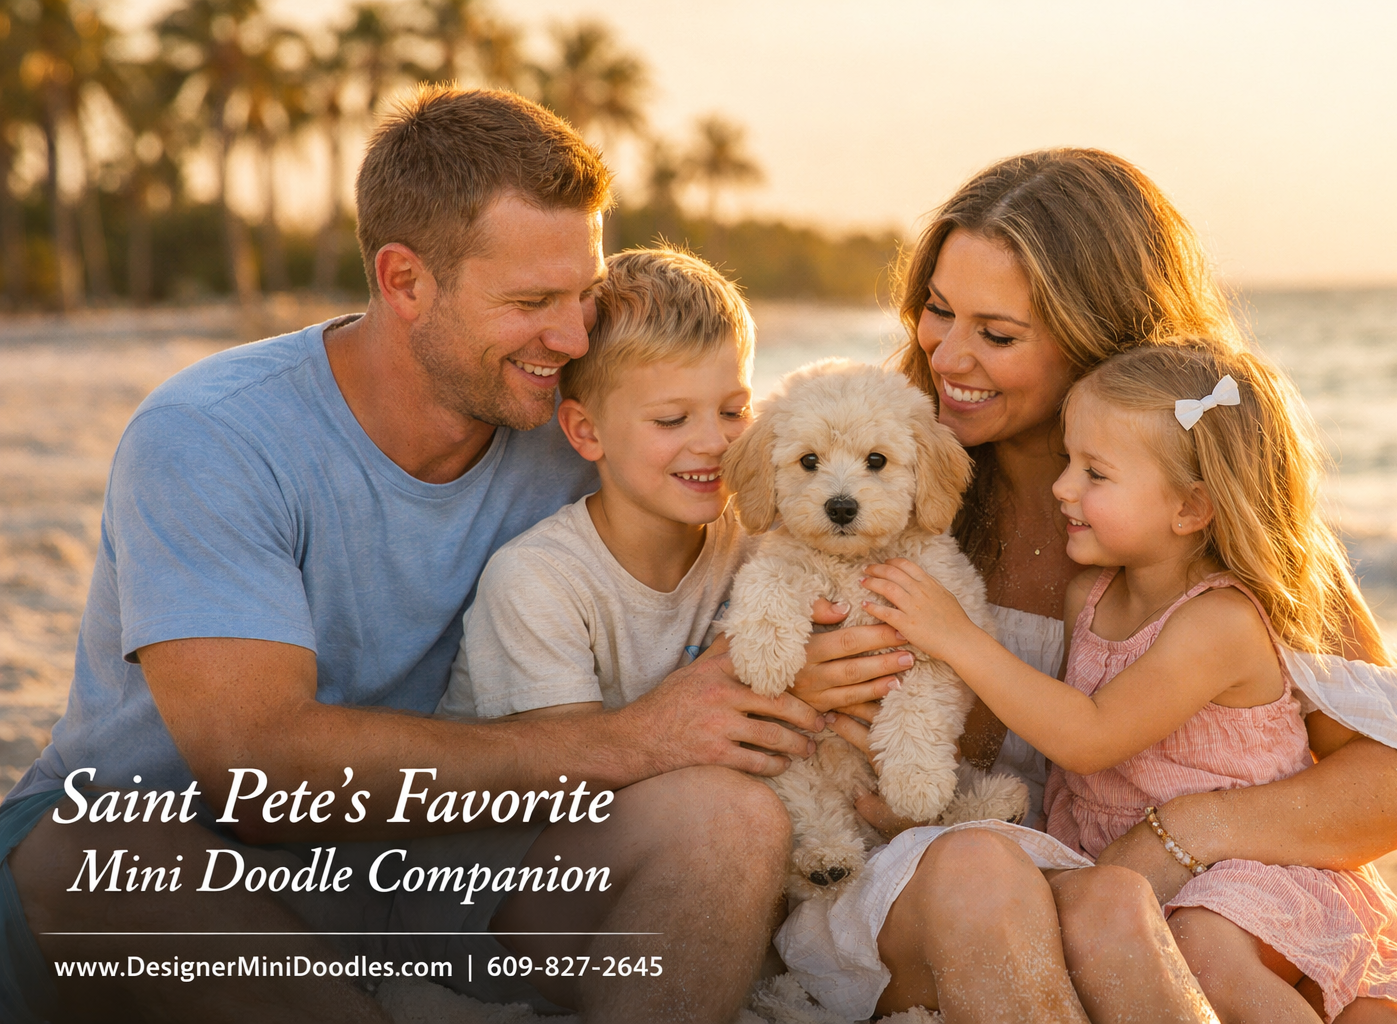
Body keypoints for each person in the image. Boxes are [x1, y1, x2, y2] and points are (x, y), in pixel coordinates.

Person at [0, 88, 913, 1024]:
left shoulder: (570, 425)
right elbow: (255, 770)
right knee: (96, 851)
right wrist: (631, 738)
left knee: (728, 822)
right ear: (404, 283)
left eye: (583, 296)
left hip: (444, 862)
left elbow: (776, 500)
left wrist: (830, 655)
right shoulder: (213, 437)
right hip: (176, 865)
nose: (571, 339)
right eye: (531, 302)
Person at [775, 149, 1397, 1024]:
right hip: (942, 880)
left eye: (1000, 333)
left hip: (1149, 903)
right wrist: (807, 684)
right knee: (990, 882)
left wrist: (1181, 836)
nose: (946, 353)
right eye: (936, 310)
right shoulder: (882, 481)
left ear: (1099, 341)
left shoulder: (1202, 536)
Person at [858, 343, 1397, 1023]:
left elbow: (1088, 734)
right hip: (1125, 864)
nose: (1063, 488)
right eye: (1068, 461)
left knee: (1207, 952)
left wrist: (956, 637)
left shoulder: (1217, 621)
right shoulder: (1092, 595)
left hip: (1248, 873)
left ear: (1192, 508)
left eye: (1094, 474)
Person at [438, 246, 754, 721]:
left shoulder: (760, 542)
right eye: (671, 419)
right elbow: (569, 776)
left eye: (733, 412)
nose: (714, 442)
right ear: (587, 431)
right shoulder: (537, 582)